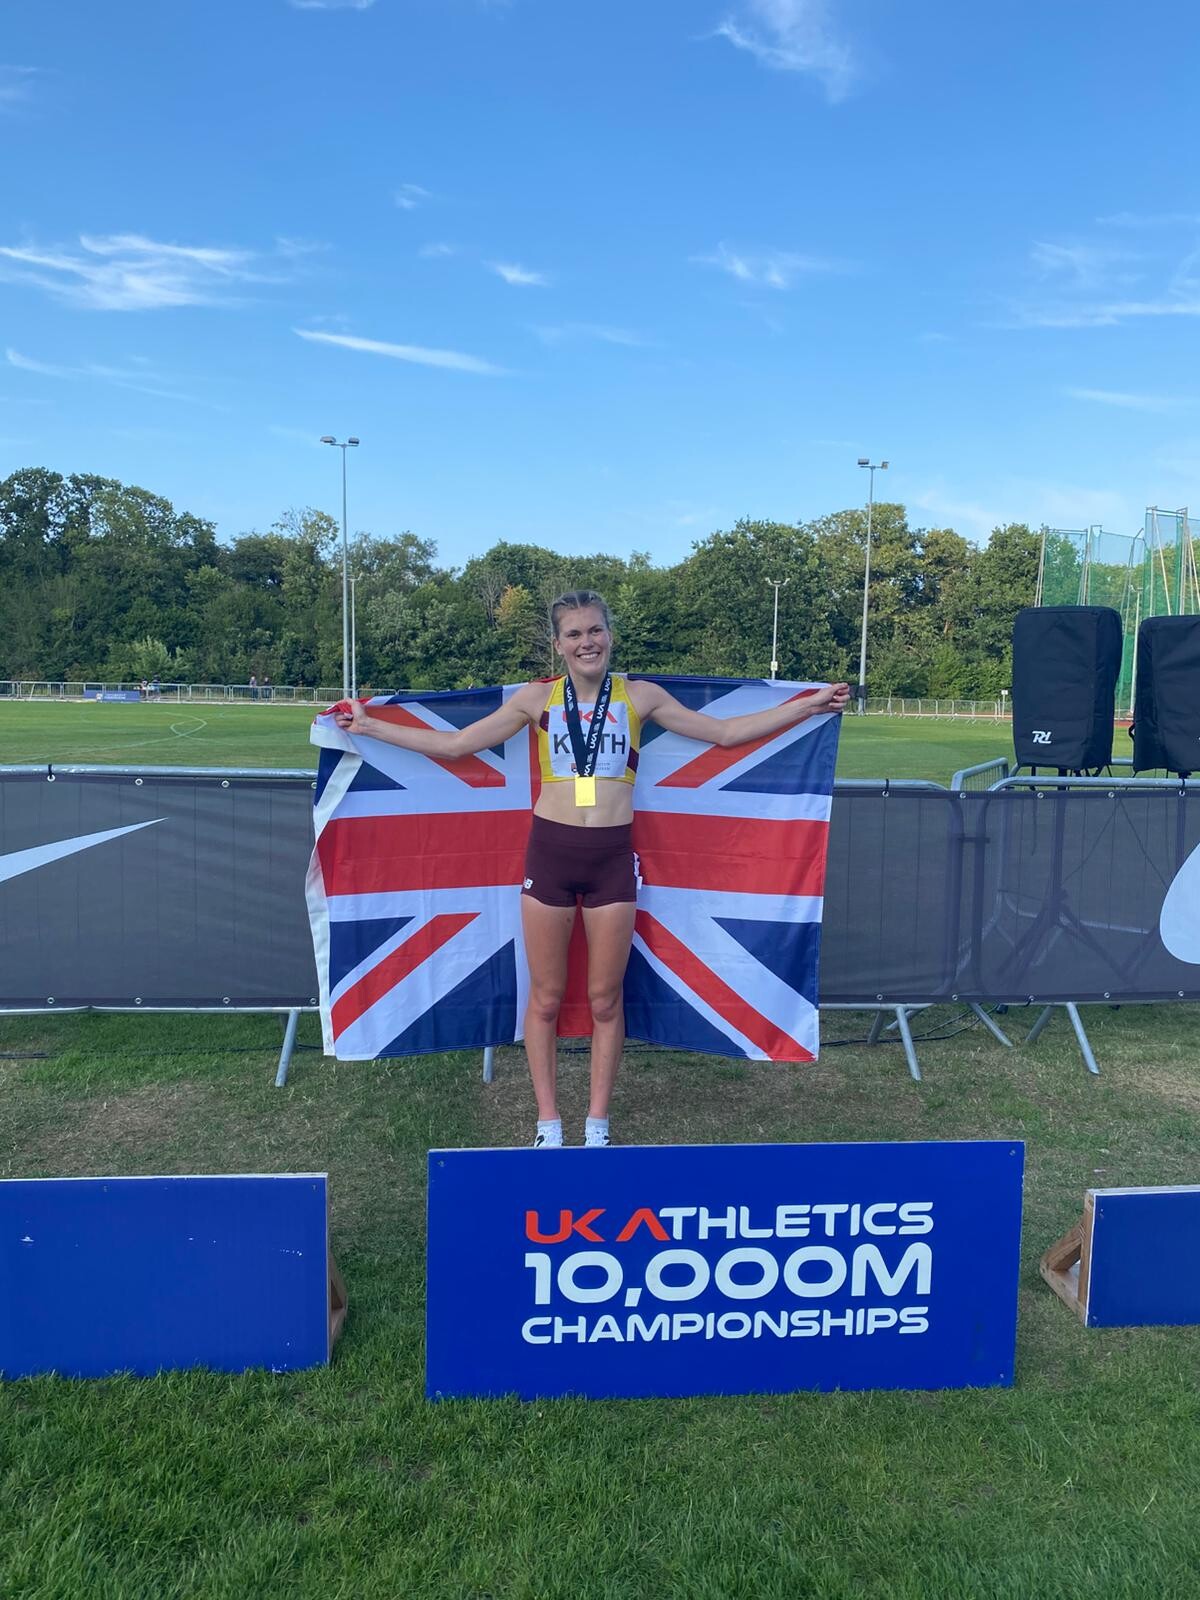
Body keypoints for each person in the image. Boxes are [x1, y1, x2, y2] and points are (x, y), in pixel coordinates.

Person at [335, 589, 850, 1148]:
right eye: (575, 633)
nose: (588, 642)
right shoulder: (536, 700)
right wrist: (370, 727)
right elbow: (458, 745)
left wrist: (809, 705)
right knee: (546, 998)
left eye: (595, 630)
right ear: (558, 645)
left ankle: (597, 1124)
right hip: (550, 856)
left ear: (610, 635)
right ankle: (548, 1123)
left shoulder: (640, 696)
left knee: (605, 999)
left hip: (611, 860)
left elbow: (725, 735)